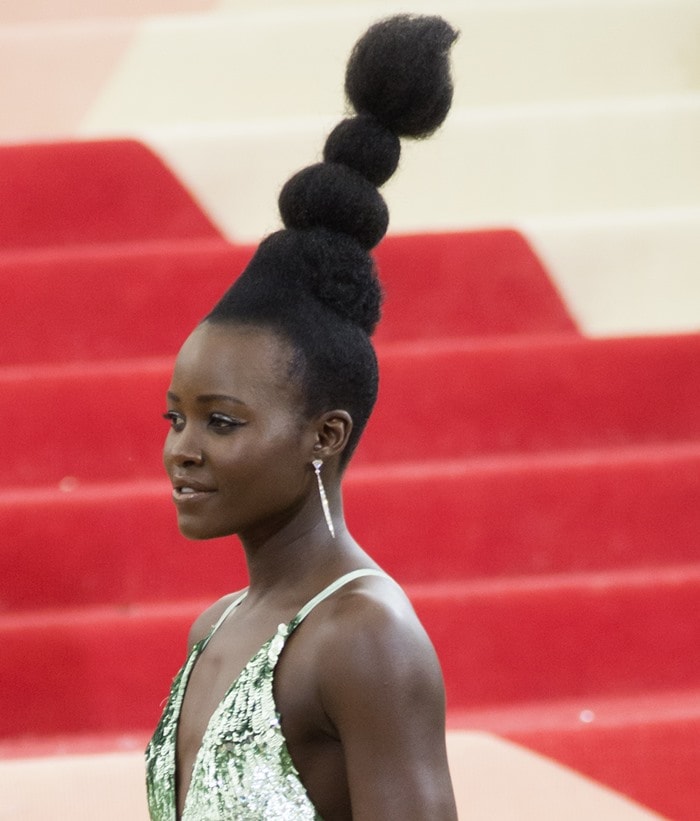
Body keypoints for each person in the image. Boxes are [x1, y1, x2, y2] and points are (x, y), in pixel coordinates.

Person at [145, 14, 459, 820]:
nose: (183, 449)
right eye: (175, 418)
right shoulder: (213, 628)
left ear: (325, 435)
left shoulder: (365, 637)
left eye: (222, 422)